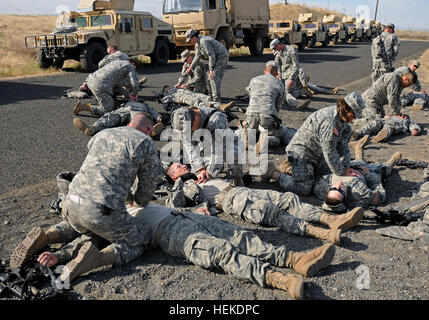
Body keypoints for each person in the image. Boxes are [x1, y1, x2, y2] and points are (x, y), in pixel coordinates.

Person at [34, 203, 339, 300]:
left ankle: (295, 260)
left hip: (183, 214)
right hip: (165, 232)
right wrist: (59, 256)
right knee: (219, 252)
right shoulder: (95, 223)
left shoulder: (122, 196)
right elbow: (86, 238)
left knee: (241, 236)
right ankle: (279, 280)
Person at [10, 113, 163, 283]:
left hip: (72, 201)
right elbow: (148, 185)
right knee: (140, 237)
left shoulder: (104, 133)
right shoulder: (145, 142)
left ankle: (46, 236)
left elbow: (107, 169)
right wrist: (138, 201)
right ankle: (97, 259)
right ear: (149, 129)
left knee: (78, 226)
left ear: (129, 124)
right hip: (101, 211)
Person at [159, 162, 365, 245]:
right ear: (173, 175)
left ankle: (330, 219)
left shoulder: (200, 175)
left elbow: (223, 156)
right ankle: (322, 233)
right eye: (179, 166)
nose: (184, 165)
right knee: (274, 213)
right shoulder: (178, 188)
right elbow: (175, 205)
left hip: (242, 190)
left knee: (287, 199)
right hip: (231, 201)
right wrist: (181, 181)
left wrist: (205, 171)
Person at [279, 92, 367, 196]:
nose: (354, 119)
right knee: (304, 188)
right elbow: (329, 151)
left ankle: (297, 168)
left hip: (317, 154)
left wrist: (346, 167)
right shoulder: (329, 123)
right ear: (347, 110)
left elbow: (344, 147)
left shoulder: (343, 123)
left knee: (325, 175)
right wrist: (341, 171)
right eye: (354, 115)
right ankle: (276, 173)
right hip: (301, 153)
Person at [170, 106, 243, 185]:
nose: (187, 133)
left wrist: (209, 173)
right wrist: (200, 169)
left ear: (195, 120)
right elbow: (190, 147)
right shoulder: (183, 121)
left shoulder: (216, 120)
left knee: (233, 157)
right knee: (198, 174)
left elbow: (219, 152)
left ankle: (238, 179)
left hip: (226, 143)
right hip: (205, 143)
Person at [312, 152, 403, 210]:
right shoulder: (361, 194)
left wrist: (342, 168)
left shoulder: (320, 189)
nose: (338, 185)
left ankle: (358, 150)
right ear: (345, 196)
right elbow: (381, 196)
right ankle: (391, 162)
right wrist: (368, 175)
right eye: (340, 190)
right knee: (381, 169)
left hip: (345, 166)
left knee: (358, 160)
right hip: (365, 172)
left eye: (333, 189)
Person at [242, 61, 297, 148]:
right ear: (276, 73)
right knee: (279, 136)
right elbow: (278, 105)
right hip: (267, 116)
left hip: (251, 115)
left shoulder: (253, 80)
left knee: (251, 129)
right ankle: (266, 140)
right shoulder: (279, 83)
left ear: (265, 71)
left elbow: (251, 97)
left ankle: (248, 138)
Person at [74, 59, 140, 117]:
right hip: (100, 86)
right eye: (135, 66)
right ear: (133, 64)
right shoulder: (130, 67)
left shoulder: (116, 62)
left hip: (90, 80)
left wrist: (127, 95)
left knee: (110, 97)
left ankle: (105, 101)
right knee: (108, 111)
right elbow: (135, 84)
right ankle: (84, 107)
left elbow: (116, 86)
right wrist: (134, 94)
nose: (135, 68)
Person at [73, 102, 164, 137]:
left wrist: (158, 117)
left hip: (138, 113)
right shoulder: (126, 102)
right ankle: (92, 128)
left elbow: (152, 110)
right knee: (111, 116)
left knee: (140, 121)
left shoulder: (144, 105)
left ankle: (150, 131)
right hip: (124, 110)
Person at [185, 29, 229, 102]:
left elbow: (211, 55)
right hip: (215, 57)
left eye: (190, 40)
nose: (189, 42)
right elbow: (197, 56)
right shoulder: (197, 44)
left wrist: (211, 69)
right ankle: (210, 96)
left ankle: (216, 99)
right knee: (208, 77)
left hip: (221, 56)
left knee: (214, 76)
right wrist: (190, 67)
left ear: (194, 37)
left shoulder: (203, 41)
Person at [270, 39, 310, 110]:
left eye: (274, 48)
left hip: (292, 74)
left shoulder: (291, 50)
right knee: (283, 91)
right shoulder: (278, 52)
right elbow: (277, 66)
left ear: (278, 45)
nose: (274, 50)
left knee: (285, 92)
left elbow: (296, 66)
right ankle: (302, 91)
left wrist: (291, 79)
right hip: (283, 75)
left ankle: (297, 103)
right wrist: (277, 76)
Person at [353, 113, 422, 143]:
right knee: (373, 124)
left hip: (394, 125)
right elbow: (383, 118)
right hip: (383, 121)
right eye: (398, 114)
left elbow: (413, 125)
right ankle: (358, 133)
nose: (399, 115)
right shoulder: (392, 116)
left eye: (401, 115)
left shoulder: (406, 121)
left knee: (388, 129)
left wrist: (415, 129)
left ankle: (380, 137)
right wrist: (386, 117)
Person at [159, 86, 234, 113]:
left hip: (190, 93)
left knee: (205, 97)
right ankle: (211, 108)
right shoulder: (168, 92)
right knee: (196, 102)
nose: (168, 87)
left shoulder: (176, 88)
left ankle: (221, 106)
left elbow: (186, 90)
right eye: (167, 87)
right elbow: (166, 99)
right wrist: (173, 100)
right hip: (183, 97)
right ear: (165, 89)